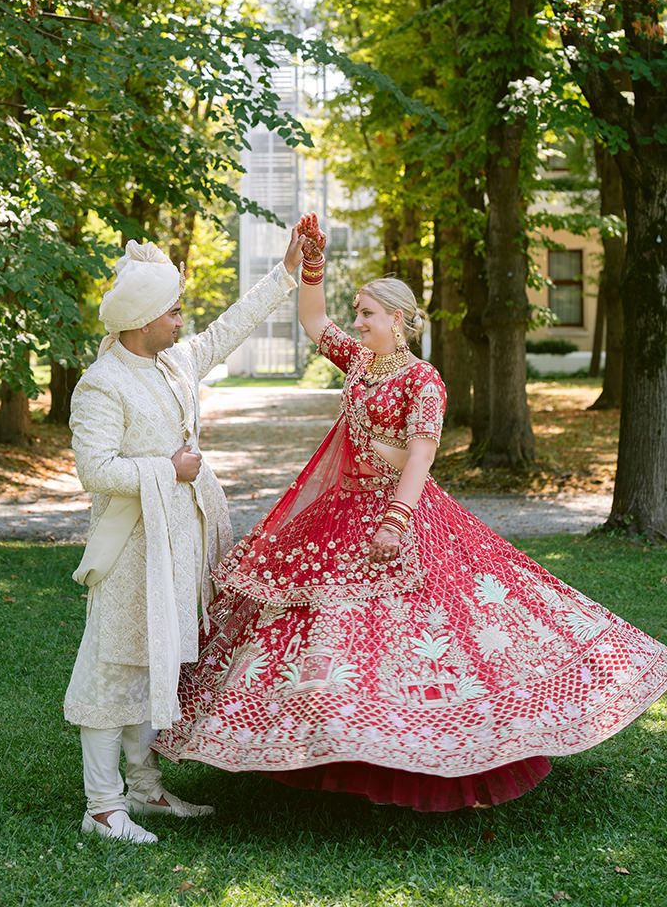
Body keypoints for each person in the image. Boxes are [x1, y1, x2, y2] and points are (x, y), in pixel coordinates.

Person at [156, 212, 667, 811]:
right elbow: (314, 320)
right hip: (340, 512)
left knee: (416, 631)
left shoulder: (424, 381)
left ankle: (422, 751)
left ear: (397, 321)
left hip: (402, 517)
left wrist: (396, 518)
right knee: (326, 626)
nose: (357, 321)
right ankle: (327, 743)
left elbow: (421, 459)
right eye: (359, 313)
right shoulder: (363, 363)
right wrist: (310, 259)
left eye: (367, 313)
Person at [64, 228, 304, 842]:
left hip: (177, 541)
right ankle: (101, 806)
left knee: (155, 665)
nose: (181, 319)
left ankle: (144, 790)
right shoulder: (101, 383)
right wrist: (166, 470)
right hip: (129, 547)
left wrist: (284, 274)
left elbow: (228, 330)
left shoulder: (172, 361)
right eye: (172, 310)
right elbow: (95, 470)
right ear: (143, 318)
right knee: (113, 665)